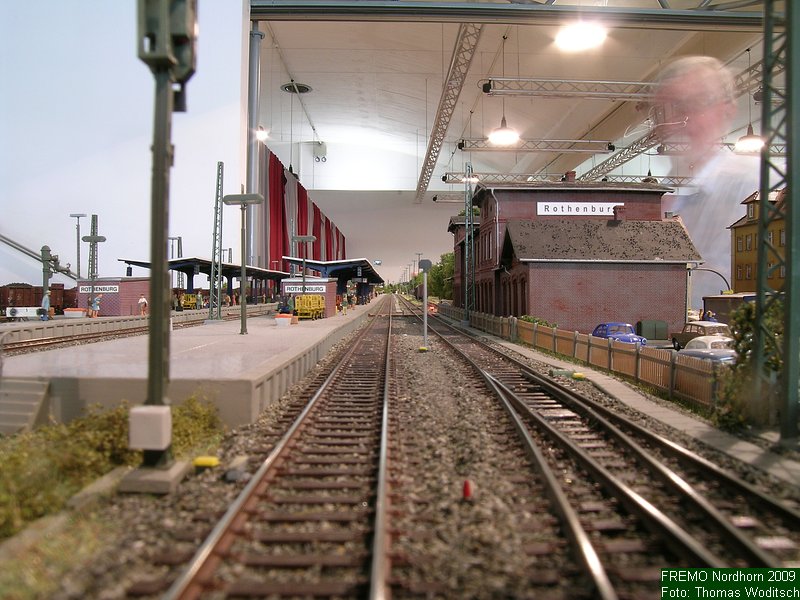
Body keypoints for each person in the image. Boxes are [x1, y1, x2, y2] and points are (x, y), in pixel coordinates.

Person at [654, 56, 760, 309]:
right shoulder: (659, 197)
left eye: (694, 105)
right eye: (664, 111)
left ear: (727, 111)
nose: (679, 120)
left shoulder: (758, 182)